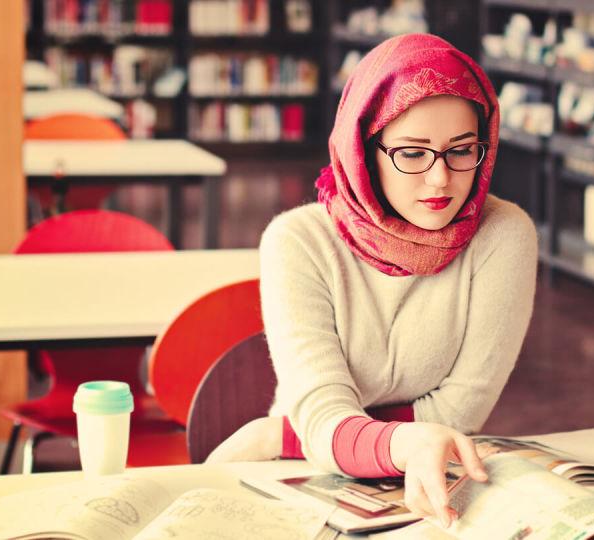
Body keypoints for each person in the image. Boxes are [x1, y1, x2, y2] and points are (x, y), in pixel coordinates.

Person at [207, 33, 538, 527]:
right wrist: (326, 436)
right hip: (298, 479)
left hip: (428, 480)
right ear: (365, 149)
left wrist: (280, 435)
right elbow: (322, 412)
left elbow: (460, 413)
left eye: (461, 150)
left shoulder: (503, 235)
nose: (440, 179)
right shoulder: (298, 241)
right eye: (412, 153)